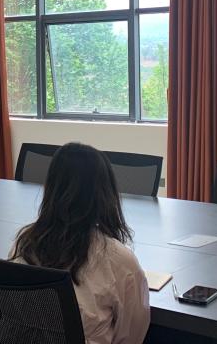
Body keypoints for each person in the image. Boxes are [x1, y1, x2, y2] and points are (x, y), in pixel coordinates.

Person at [9, 143, 149, 344]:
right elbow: (132, 336)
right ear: (105, 194)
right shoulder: (119, 260)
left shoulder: (24, 244)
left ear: (51, 189)